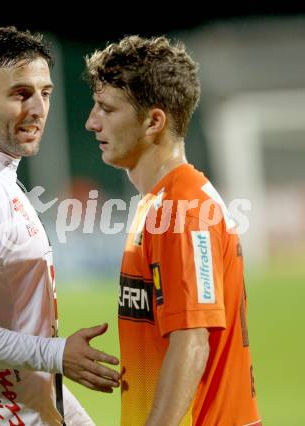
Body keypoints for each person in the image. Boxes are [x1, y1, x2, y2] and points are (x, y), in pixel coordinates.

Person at [0, 25, 120, 426]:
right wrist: (57, 354)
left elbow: (16, 329)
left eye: (45, 93)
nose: (38, 109)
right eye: (20, 93)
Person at [84, 35, 261, 425]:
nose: (91, 122)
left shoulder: (182, 210)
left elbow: (191, 342)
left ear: (154, 121)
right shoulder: (162, 202)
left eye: (106, 109)